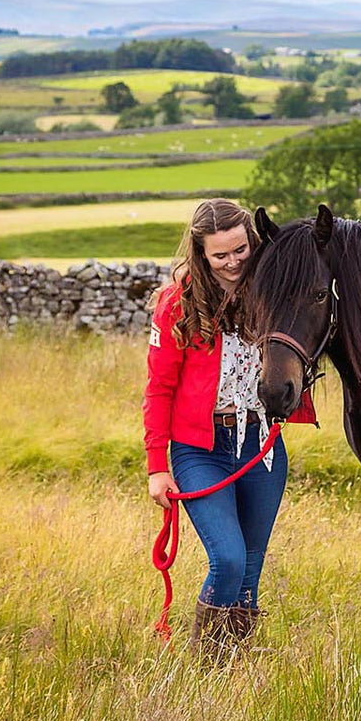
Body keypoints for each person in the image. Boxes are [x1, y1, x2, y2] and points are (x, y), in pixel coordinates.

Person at [144, 198, 316, 658]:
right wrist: (157, 467)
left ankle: (237, 666)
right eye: (220, 255)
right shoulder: (176, 303)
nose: (233, 261)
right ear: (201, 254)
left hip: (262, 444)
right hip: (201, 448)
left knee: (251, 568)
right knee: (229, 559)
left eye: (240, 249)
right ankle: (209, 663)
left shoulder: (270, 290)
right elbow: (158, 389)